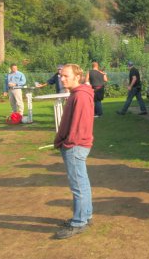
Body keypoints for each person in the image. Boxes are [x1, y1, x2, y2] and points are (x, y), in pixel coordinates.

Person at [53, 64, 94, 239]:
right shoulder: (76, 94)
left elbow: (79, 125)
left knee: (78, 186)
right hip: (75, 145)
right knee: (82, 183)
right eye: (61, 75)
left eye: (65, 75)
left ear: (77, 77)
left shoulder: (81, 96)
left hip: (75, 146)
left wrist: (68, 144)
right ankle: (85, 216)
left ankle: (78, 222)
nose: (62, 78)